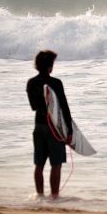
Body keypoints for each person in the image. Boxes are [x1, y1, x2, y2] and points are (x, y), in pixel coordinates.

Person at [26, 50, 72, 199]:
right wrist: (69, 131)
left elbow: (33, 106)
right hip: (54, 128)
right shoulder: (56, 83)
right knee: (56, 164)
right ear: (50, 66)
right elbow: (64, 107)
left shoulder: (31, 83)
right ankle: (54, 197)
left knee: (39, 164)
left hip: (38, 126)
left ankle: (39, 196)